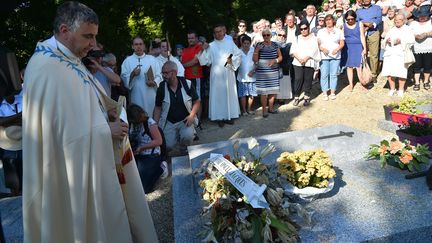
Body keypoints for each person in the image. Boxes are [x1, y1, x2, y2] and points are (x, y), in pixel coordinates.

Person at [23, 2, 158, 242]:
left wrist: (110, 113)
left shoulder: (69, 57)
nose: (93, 44)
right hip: (71, 173)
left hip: (99, 159)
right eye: (88, 37)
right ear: (65, 31)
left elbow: (85, 106)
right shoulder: (45, 68)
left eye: (94, 37)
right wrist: (106, 131)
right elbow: (61, 137)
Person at [198, 24, 242, 127]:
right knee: (218, 96)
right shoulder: (211, 45)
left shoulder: (230, 43)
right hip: (216, 75)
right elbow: (205, 61)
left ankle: (229, 115)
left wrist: (229, 61)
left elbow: (238, 54)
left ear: (223, 32)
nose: (218, 33)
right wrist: (203, 50)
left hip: (228, 72)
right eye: (216, 32)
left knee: (229, 94)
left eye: (220, 31)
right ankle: (219, 117)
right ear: (214, 34)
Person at [153, 61, 200, 153]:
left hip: (185, 120)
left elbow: (197, 101)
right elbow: (158, 107)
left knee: (188, 136)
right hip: (169, 122)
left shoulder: (187, 84)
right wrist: (155, 125)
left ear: (174, 72)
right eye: (162, 73)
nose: (163, 75)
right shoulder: (161, 88)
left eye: (166, 73)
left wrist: (192, 115)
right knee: (167, 145)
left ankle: (184, 150)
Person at [127, 104, 168, 193]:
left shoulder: (149, 123)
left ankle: (161, 168)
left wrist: (141, 148)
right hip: (138, 154)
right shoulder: (130, 124)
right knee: (132, 182)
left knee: (144, 189)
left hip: (151, 155)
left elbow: (159, 141)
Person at [121, 36, 161, 116]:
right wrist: (132, 74)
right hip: (136, 96)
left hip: (150, 95)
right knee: (137, 117)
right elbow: (124, 78)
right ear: (132, 46)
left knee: (151, 119)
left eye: (140, 44)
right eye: (136, 44)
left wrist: (154, 82)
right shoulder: (127, 61)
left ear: (144, 46)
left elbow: (159, 75)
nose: (138, 46)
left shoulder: (152, 59)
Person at [381, 13, 415, 96]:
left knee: (401, 72)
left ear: (403, 21)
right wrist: (387, 41)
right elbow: (384, 40)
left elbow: (411, 41)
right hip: (390, 53)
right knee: (389, 72)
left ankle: (400, 89)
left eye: (399, 19)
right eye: (396, 20)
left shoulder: (408, 29)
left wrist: (401, 41)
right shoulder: (392, 29)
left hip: (401, 53)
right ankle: (392, 89)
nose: (397, 21)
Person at [253, 28, 282, 117]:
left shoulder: (275, 45)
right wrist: (257, 51)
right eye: (264, 35)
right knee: (263, 92)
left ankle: (271, 108)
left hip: (273, 71)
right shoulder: (259, 44)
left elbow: (280, 57)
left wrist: (275, 60)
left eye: (267, 35)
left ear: (271, 36)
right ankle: (264, 111)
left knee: (273, 91)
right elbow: (254, 60)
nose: (266, 37)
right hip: (262, 72)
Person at [290, 21, 321, 106]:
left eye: (305, 28)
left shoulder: (314, 38)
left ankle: (306, 96)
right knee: (298, 79)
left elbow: (314, 50)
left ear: (308, 28)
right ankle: (296, 97)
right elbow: (293, 50)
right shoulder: (296, 38)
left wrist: (305, 58)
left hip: (309, 61)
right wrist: (300, 59)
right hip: (297, 62)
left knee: (308, 79)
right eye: (301, 29)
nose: (303, 30)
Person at [317, 14, 345, 100]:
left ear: (333, 21)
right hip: (324, 56)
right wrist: (322, 48)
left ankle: (332, 92)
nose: (328, 21)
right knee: (324, 75)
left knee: (333, 75)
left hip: (336, 56)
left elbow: (342, 43)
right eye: (327, 20)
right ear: (325, 22)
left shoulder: (338, 31)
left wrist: (337, 49)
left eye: (330, 19)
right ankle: (325, 93)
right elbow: (317, 43)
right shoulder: (321, 31)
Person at [356, 0, 383, 83]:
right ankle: (365, 73)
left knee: (374, 54)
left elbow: (378, 19)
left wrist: (369, 25)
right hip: (362, 33)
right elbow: (357, 21)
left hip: (374, 32)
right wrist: (365, 25)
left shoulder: (377, 8)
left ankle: (374, 74)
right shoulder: (359, 11)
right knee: (363, 53)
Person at [342, 10, 368, 91]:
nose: (350, 20)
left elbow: (362, 36)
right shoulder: (343, 25)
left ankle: (362, 83)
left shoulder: (359, 24)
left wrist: (365, 48)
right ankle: (351, 84)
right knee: (349, 66)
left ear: (355, 18)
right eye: (348, 19)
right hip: (347, 47)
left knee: (358, 66)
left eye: (352, 19)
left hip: (358, 46)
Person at [410, 7, 432, 91]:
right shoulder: (413, 23)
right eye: (420, 16)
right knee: (416, 66)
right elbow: (409, 33)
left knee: (427, 65)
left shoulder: (431, 22)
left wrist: (426, 34)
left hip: (429, 47)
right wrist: (415, 36)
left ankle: (426, 81)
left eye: (424, 16)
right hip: (416, 48)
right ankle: (417, 82)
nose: (422, 17)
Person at [237, 35, 257, 115]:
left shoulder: (254, 50)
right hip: (242, 77)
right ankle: (244, 111)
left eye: (248, 43)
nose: (246, 45)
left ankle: (249, 109)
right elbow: (230, 62)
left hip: (252, 76)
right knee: (243, 95)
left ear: (250, 43)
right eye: (244, 43)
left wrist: (253, 71)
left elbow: (257, 62)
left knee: (251, 95)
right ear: (242, 43)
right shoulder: (238, 51)